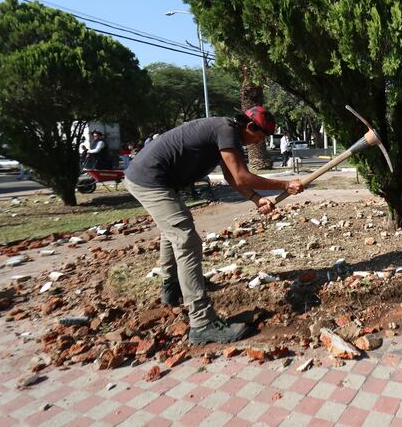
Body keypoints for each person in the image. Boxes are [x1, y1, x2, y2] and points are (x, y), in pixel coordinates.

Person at [124, 107, 304, 344]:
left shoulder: (226, 132)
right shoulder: (226, 131)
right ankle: (202, 323)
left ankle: (172, 287)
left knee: (175, 230)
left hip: (158, 180)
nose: (258, 143)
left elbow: (232, 177)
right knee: (186, 239)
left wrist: (256, 198)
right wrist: (284, 185)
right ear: (250, 127)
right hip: (150, 180)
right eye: (260, 137)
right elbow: (242, 176)